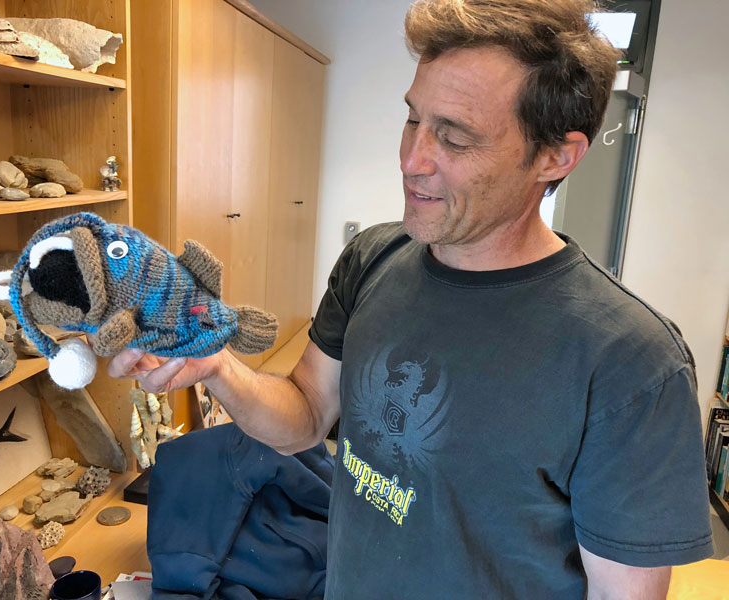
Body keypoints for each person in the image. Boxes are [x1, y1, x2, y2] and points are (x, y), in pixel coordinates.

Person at [109, 0, 713, 597]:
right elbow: (305, 417)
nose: (411, 160)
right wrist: (217, 367)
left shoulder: (632, 363)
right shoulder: (374, 259)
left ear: (556, 156)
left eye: (454, 138)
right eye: (412, 120)